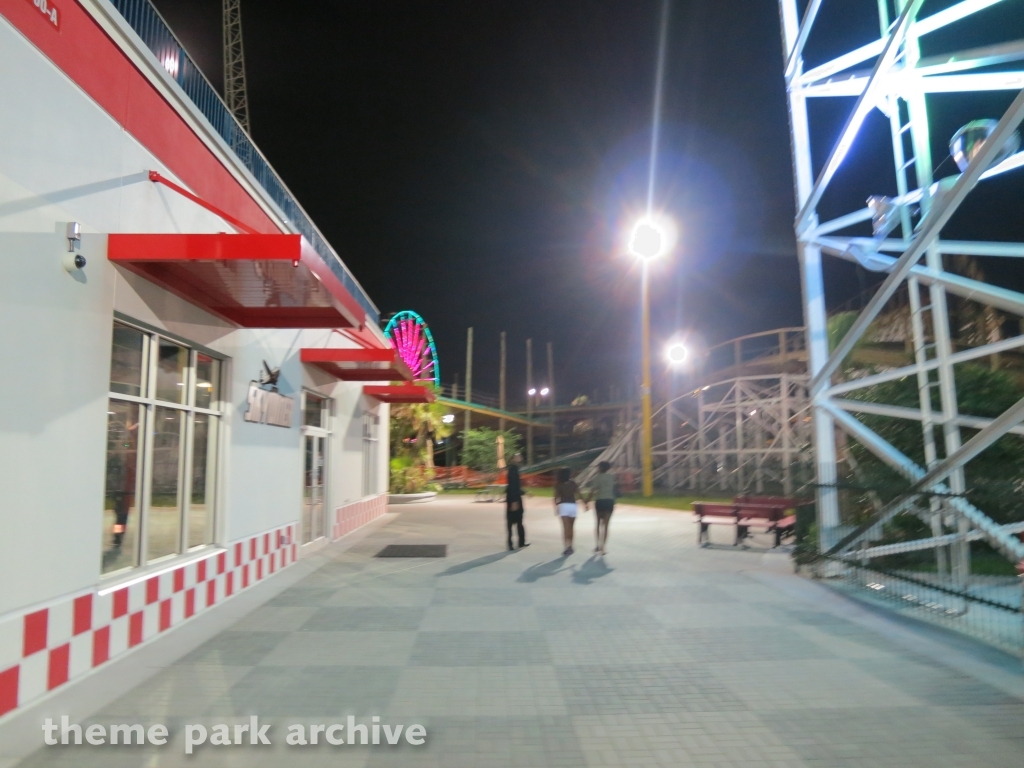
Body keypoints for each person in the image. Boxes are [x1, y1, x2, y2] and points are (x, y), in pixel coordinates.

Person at [586, 461, 617, 555]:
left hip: (600, 501)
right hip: (609, 501)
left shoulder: (597, 477)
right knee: (606, 525)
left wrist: (587, 500)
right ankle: (603, 547)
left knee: (598, 524)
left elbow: (593, 490)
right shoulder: (612, 476)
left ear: (600, 468)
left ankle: (597, 545)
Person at [553, 467, 585, 556]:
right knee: (571, 527)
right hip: (572, 505)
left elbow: (556, 497)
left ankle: (566, 547)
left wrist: (556, 507)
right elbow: (579, 494)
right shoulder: (573, 483)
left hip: (563, 506)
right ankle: (571, 546)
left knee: (565, 528)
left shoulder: (558, 484)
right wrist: (585, 503)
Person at [505, 454, 528, 550]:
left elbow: (516, 486)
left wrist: (525, 492)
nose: (520, 457)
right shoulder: (513, 469)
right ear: (513, 459)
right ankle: (517, 542)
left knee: (513, 521)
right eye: (518, 456)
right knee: (515, 521)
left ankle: (515, 543)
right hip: (514, 498)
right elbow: (513, 486)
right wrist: (514, 501)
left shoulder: (514, 469)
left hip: (513, 497)